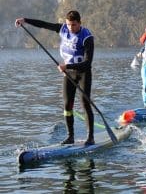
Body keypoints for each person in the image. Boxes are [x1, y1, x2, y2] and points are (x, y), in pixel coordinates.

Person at [15, 11, 95, 145]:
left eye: (74, 25)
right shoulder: (63, 29)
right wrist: (25, 20)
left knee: (85, 104)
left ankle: (90, 137)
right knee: (67, 105)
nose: (71, 27)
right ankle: (70, 137)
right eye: (69, 24)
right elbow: (44, 25)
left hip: (83, 73)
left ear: (80, 23)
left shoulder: (87, 37)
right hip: (69, 73)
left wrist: (67, 65)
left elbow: (88, 63)